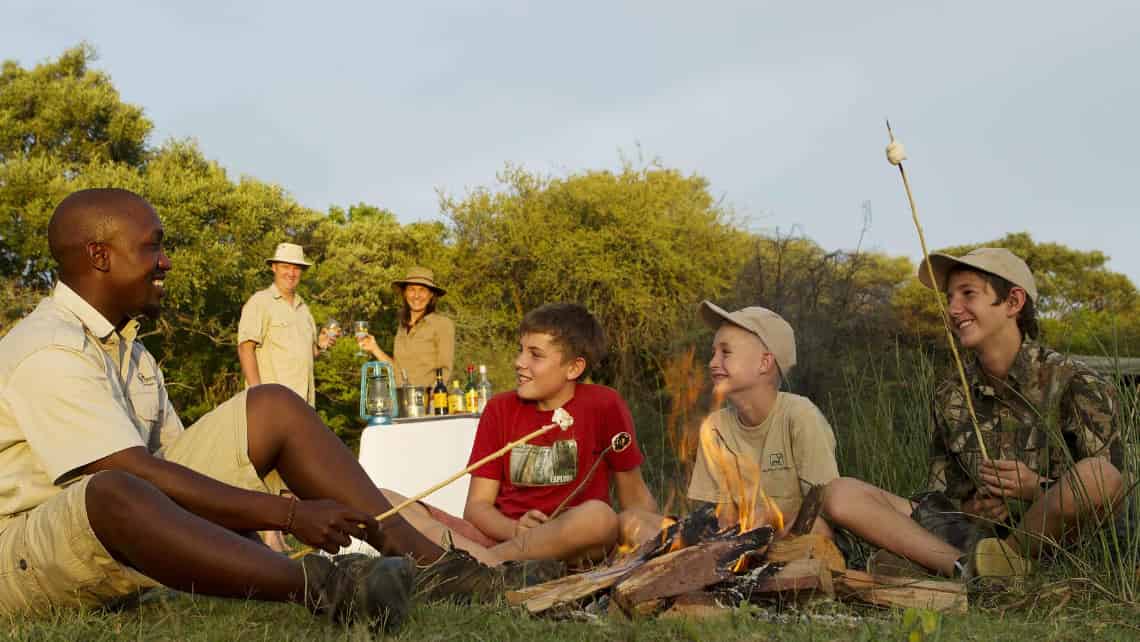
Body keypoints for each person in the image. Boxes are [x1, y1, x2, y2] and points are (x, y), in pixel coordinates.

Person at [0, 188, 502, 627]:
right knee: (115, 486)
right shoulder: (51, 347)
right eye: (152, 245)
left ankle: (441, 571)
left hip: (114, 523)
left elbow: (180, 470)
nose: (165, 261)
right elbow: (132, 476)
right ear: (100, 255)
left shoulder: (131, 349)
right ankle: (326, 587)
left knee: (272, 407)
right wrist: (289, 514)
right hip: (26, 552)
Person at [822, 248, 1125, 579]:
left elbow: (1113, 489)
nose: (953, 309)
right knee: (840, 493)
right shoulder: (950, 393)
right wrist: (972, 508)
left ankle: (1005, 562)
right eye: (950, 297)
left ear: (1013, 302)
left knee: (1099, 474)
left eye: (968, 294)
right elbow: (942, 496)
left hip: (1057, 541)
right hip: (971, 537)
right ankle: (968, 570)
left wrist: (1035, 489)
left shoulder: (1076, 382)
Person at [384, 303, 658, 565]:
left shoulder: (604, 405)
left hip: (572, 545)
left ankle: (483, 567)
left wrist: (649, 532)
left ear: (574, 368)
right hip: (503, 539)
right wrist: (515, 530)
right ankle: (492, 566)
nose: (519, 362)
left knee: (600, 517)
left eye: (535, 355)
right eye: (521, 350)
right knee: (382, 500)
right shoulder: (499, 408)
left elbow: (634, 498)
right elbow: (477, 508)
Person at [621, 302, 840, 548]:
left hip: (785, 537)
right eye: (713, 353)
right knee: (631, 521)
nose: (713, 363)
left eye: (725, 352)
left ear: (764, 363)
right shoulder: (714, 426)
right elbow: (718, 516)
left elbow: (824, 508)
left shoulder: (800, 416)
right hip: (733, 540)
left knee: (818, 530)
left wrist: (770, 516)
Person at [237, 242, 335, 407]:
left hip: (304, 407)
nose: (291, 273)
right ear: (274, 267)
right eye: (285, 266)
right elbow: (245, 348)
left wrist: (322, 346)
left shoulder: (304, 309)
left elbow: (306, 355)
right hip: (273, 405)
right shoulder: (260, 302)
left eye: (296, 268)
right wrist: (259, 396)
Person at [357, 267, 454, 387]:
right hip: (402, 401)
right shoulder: (402, 327)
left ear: (431, 295)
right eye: (411, 289)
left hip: (431, 403)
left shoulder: (442, 324)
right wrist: (374, 349)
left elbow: (444, 371)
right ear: (404, 293)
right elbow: (397, 372)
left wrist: (433, 400)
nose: (416, 296)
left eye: (422, 290)